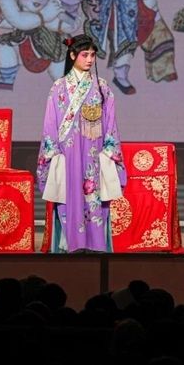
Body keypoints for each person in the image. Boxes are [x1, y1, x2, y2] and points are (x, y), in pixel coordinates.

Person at [36, 34, 126, 252]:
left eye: (93, 55)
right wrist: (53, 153)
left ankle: (96, 245)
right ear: (72, 55)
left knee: (94, 198)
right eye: (85, 55)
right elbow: (50, 124)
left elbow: (110, 123)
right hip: (67, 154)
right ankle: (69, 245)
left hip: (94, 154)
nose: (90, 60)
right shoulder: (58, 88)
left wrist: (109, 151)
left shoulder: (102, 87)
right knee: (69, 196)